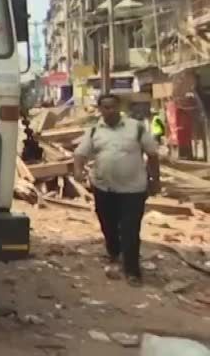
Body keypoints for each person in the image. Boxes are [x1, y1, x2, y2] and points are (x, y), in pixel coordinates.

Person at [73, 93, 162, 286]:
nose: (109, 110)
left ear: (119, 107)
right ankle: (115, 252)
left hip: (133, 190)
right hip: (104, 188)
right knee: (108, 225)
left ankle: (132, 272)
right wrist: (78, 171)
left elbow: (152, 155)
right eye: (105, 107)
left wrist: (155, 180)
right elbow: (80, 154)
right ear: (100, 110)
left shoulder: (136, 128)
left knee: (130, 229)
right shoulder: (95, 131)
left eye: (112, 106)